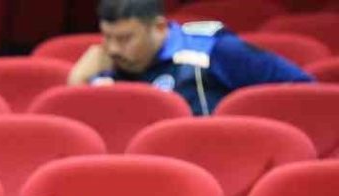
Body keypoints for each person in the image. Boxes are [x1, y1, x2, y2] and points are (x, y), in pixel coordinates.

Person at [68, 0, 312, 115]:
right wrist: (78, 81)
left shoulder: (215, 50)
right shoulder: (102, 65)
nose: (112, 48)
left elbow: (303, 91)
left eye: (124, 38)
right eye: (107, 37)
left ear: (159, 27)